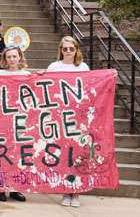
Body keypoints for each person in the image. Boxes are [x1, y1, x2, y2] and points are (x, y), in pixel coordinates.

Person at [47, 36, 89, 208]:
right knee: (64, 154)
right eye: (65, 49)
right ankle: (66, 190)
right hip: (60, 116)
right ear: (61, 50)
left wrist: (110, 76)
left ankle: (76, 192)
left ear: (76, 49)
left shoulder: (83, 67)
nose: (68, 52)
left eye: (72, 48)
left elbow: (90, 87)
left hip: (79, 117)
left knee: (78, 154)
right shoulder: (54, 67)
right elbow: (46, 87)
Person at [0, 48, 28, 202]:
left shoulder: (26, 75)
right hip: (1, 119)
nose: (12, 59)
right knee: (0, 154)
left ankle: (14, 188)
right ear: (5, 59)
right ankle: (0, 188)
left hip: (20, 120)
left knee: (17, 154)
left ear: (20, 57)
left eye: (14, 56)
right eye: (9, 57)